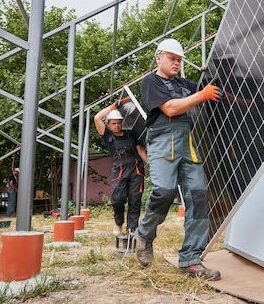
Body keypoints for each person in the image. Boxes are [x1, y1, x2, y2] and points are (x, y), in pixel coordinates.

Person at [135, 38, 222, 281]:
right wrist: (202, 94)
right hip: (163, 141)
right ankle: (144, 234)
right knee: (163, 190)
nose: (176, 63)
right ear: (158, 57)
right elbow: (171, 108)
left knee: (198, 194)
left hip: (188, 143)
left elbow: (211, 92)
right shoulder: (151, 82)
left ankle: (191, 260)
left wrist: (209, 77)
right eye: (172, 58)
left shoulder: (186, 84)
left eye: (179, 60)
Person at [94, 99, 148, 236]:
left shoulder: (131, 134)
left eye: (119, 123)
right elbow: (97, 118)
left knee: (135, 199)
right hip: (120, 170)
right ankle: (118, 223)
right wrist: (115, 106)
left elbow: (140, 150)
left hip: (136, 168)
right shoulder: (107, 136)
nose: (117, 125)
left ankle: (132, 229)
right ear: (108, 124)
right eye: (113, 123)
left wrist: (151, 165)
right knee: (117, 199)